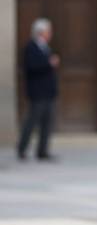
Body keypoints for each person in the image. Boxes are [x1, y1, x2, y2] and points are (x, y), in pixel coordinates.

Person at [17, 18, 60, 161]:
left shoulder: (45, 47)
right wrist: (49, 63)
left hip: (48, 93)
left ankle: (42, 151)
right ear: (41, 32)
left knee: (47, 124)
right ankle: (22, 149)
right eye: (48, 31)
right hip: (37, 93)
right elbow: (31, 67)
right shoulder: (31, 47)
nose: (50, 34)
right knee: (31, 122)